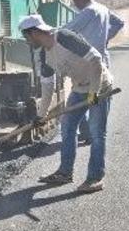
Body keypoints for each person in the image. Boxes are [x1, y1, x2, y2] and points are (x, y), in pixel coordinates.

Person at [20, 14, 114, 193]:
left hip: (100, 86)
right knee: (68, 128)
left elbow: (96, 60)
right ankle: (64, 172)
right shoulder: (44, 55)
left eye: (26, 37)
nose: (27, 42)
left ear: (34, 32)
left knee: (96, 133)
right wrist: (41, 116)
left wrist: (94, 93)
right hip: (79, 90)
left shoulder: (64, 37)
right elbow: (47, 88)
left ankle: (95, 178)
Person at [65, 0, 125, 144]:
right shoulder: (103, 9)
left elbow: (67, 30)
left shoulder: (88, 12)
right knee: (98, 96)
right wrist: (105, 38)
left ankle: (88, 132)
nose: (76, 4)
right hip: (103, 58)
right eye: (74, 0)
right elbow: (120, 23)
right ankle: (94, 131)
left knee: (83, 95)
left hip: (87, 62)